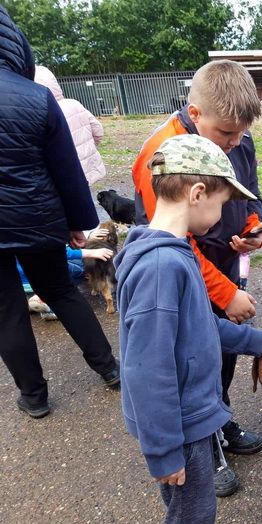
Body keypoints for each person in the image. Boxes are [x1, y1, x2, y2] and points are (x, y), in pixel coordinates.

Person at [115, 134, 262, 524]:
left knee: (192, 511)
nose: (221, 216)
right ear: (197, 193)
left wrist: (258, 340)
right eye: (221, 204)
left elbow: (200, 325)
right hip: (179, 426)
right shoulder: (163, 268)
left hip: (190, 416)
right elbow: (147, 369)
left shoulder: (173, 252)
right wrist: (164, 450)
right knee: (193, 517)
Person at [132, 59, 262, 497]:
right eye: (226, 134)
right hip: (190, 276)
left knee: (217, 353)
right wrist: (226, 293)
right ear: (195, 113)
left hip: (225, 261)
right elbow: (173, 241)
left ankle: (219, 420)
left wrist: (251, 230)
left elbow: (251, 195)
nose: (235, 143)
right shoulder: (162, 156)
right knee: (189, 357)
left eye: (241, 135)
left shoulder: (236, 138)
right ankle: (202, 443)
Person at [0, 6, 120, 419]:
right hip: (36, 220)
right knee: (61, 292)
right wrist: (76, 224)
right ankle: (108, 368)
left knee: (7, 310)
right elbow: (66, 169)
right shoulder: (35, 96)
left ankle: (34, 396)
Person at [34, 65, 106, 186]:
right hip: (86, 168)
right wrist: (88, 147)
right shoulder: (74, 104)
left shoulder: (42, 112)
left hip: (64, 173)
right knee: (85, 197)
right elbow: (98, 131)